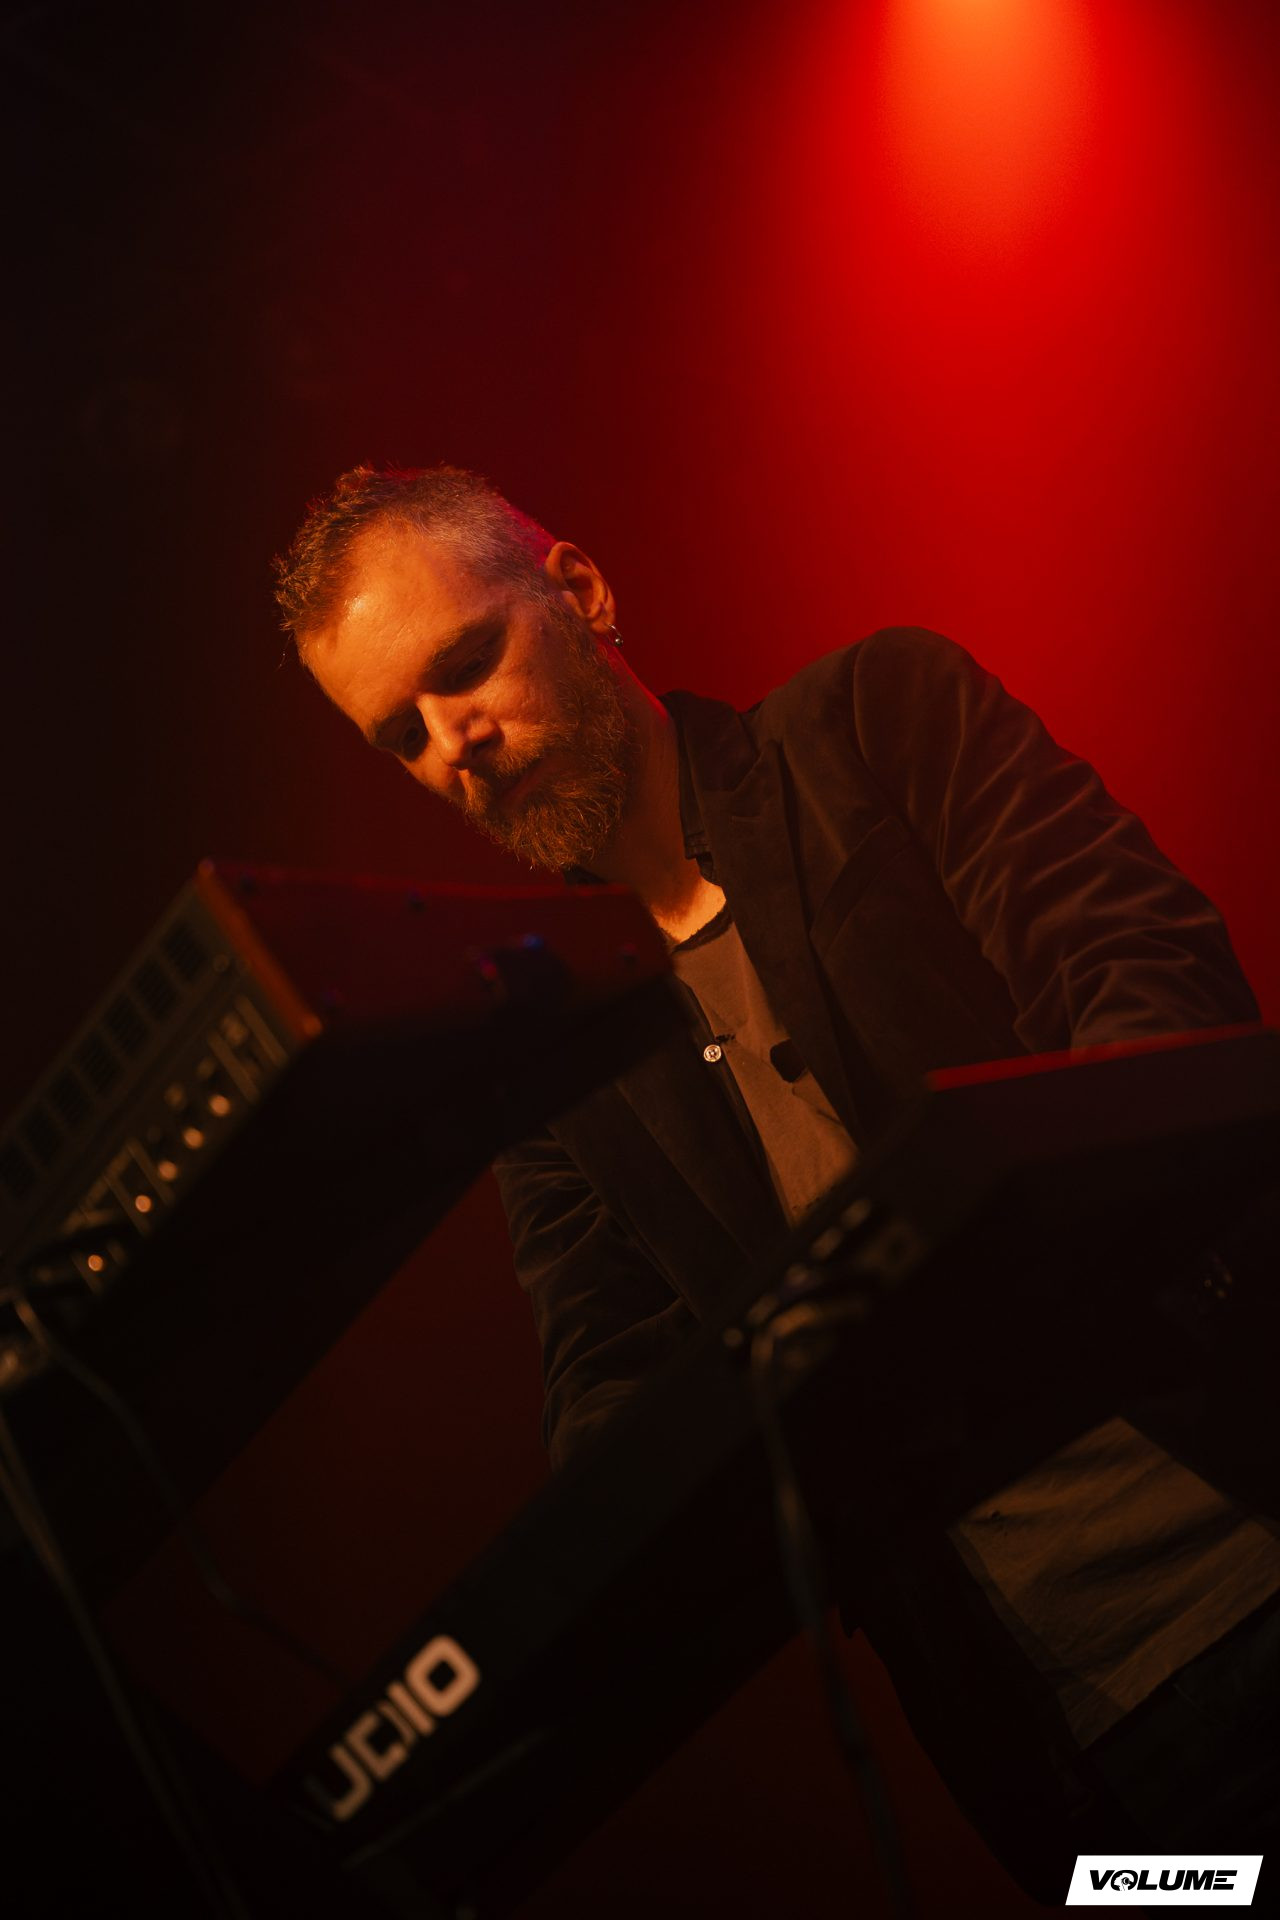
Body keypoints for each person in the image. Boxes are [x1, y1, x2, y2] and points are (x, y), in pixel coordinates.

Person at [275, 464, 1279, 1903]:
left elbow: (1147, 976)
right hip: (1086, 1759)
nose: (455, 743)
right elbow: (610, 1399)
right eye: (401, 733)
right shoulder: (549, 1059)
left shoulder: (875, 718)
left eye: (465, 664)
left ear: (582, 592)